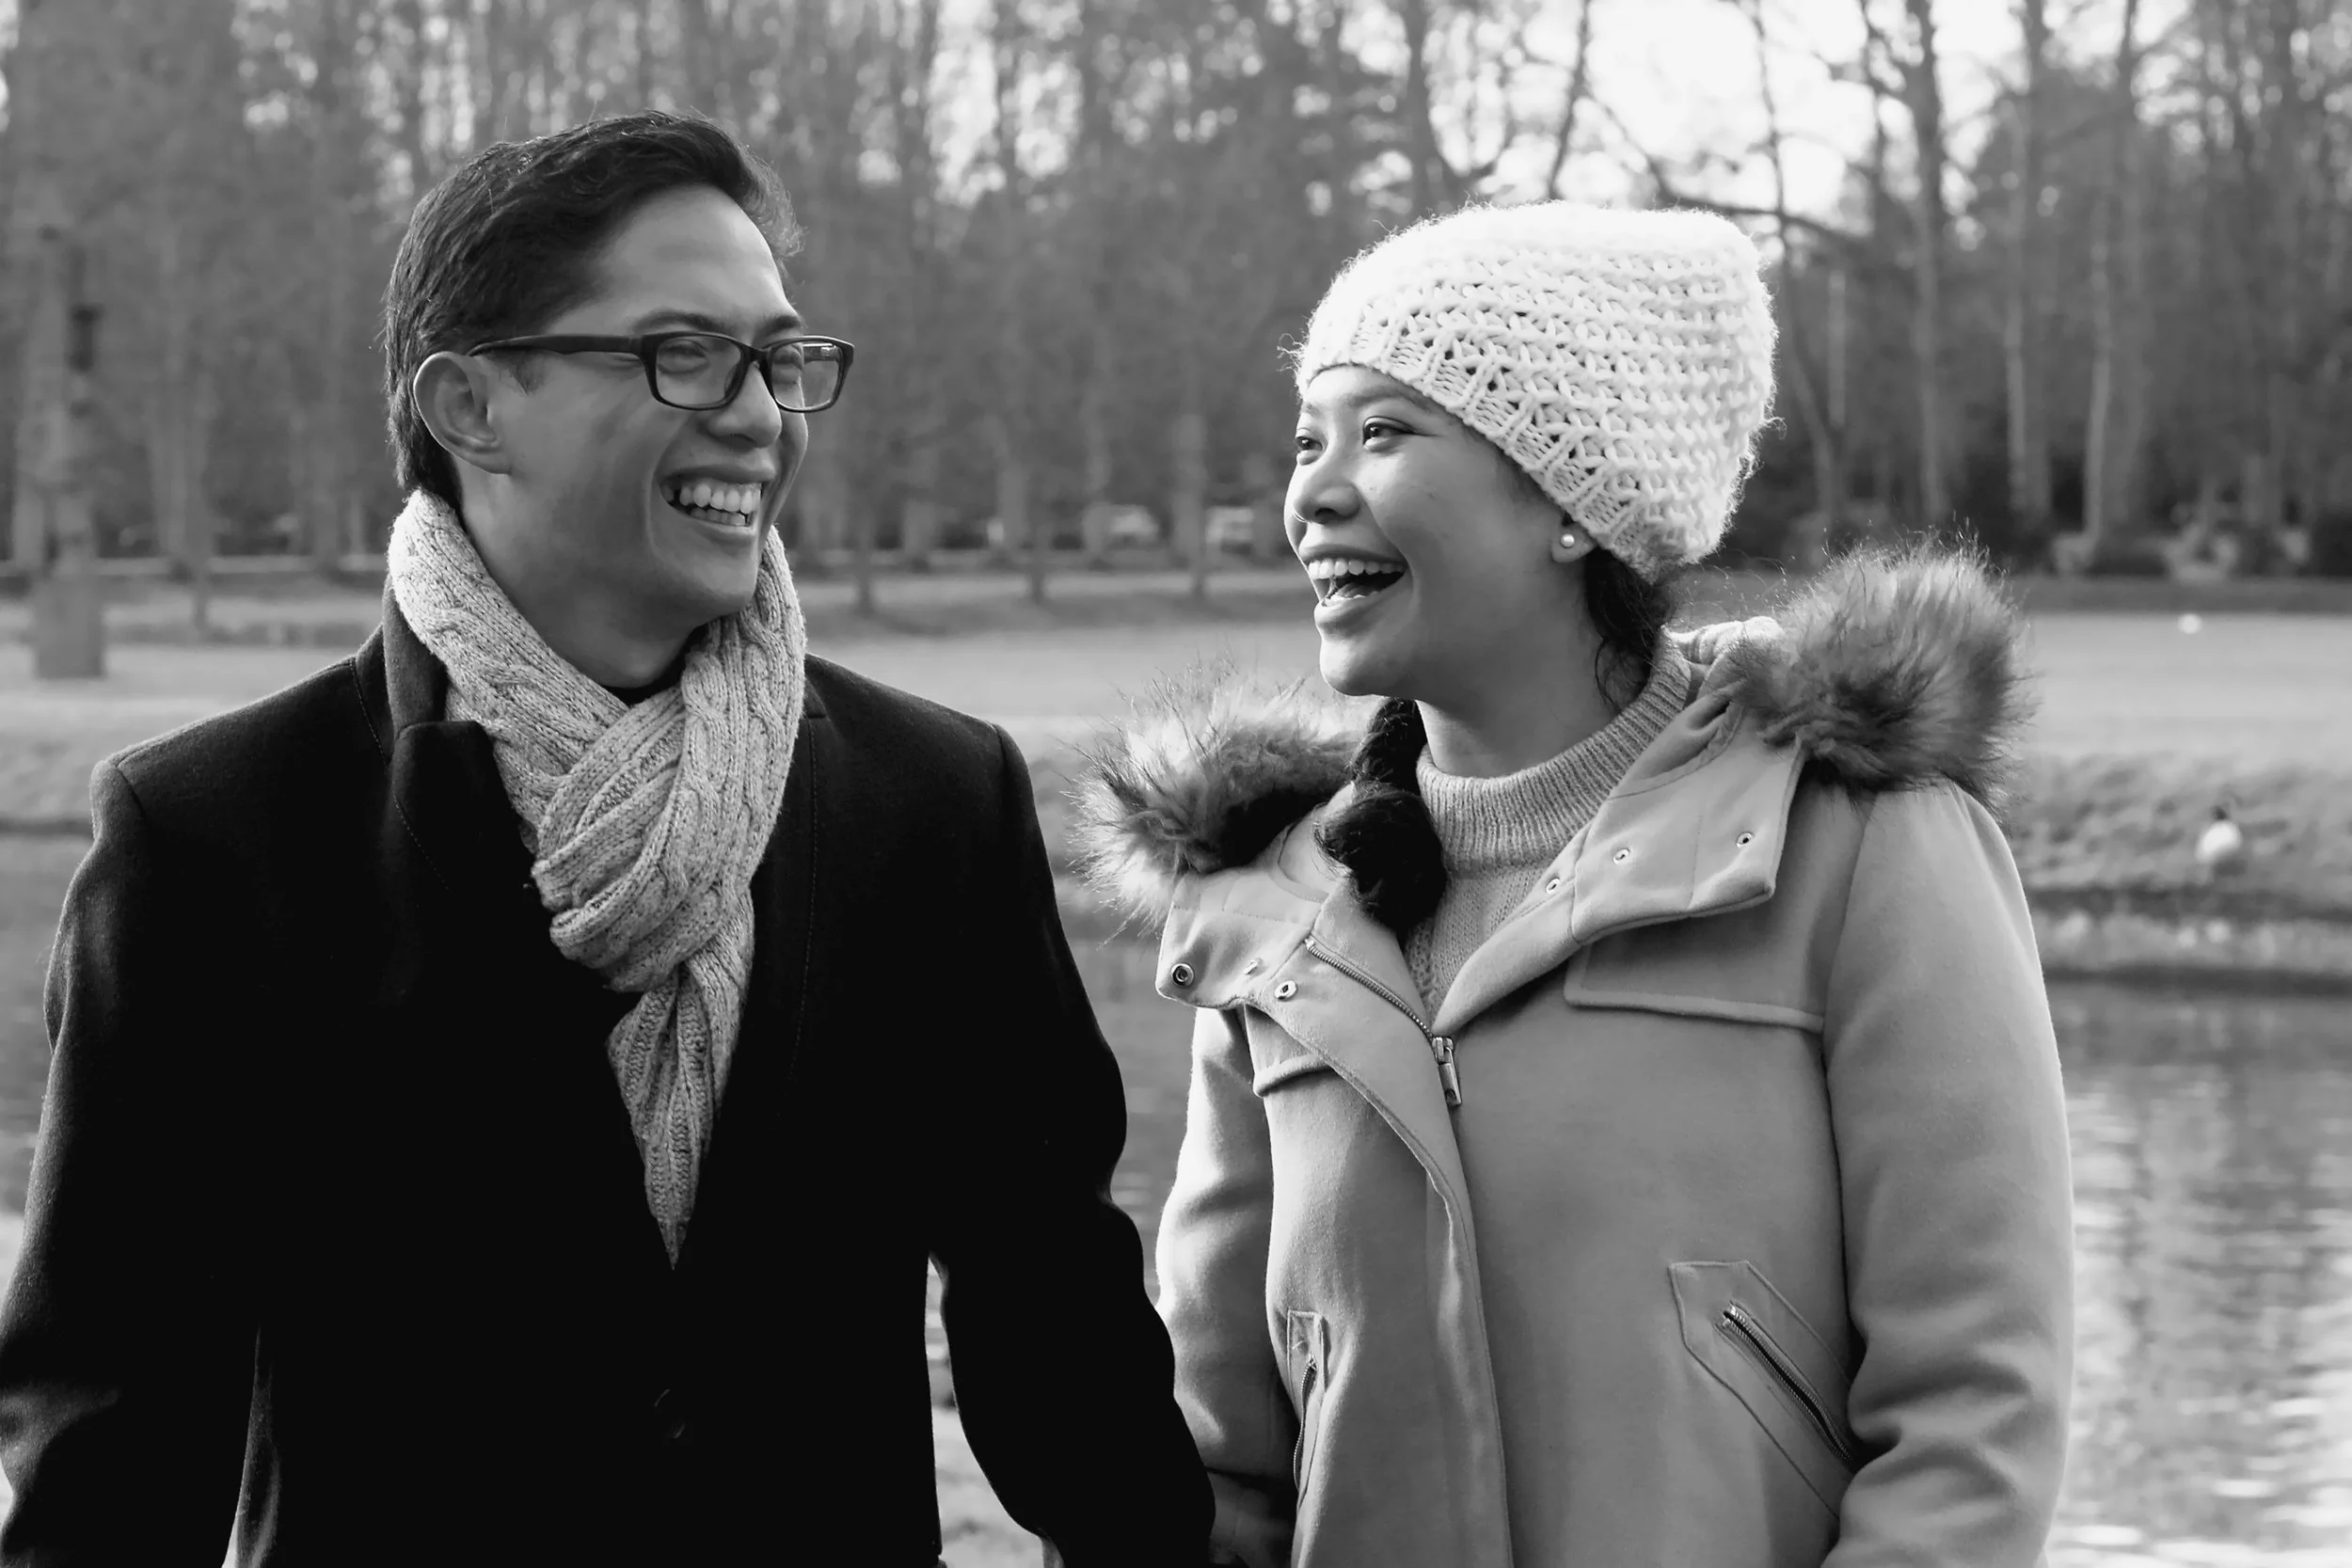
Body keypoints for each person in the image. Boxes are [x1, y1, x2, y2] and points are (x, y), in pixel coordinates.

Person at [0, 111, 1207, 1567]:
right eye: (682, 351)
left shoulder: (929, 800)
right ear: (468, 406)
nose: (760, 413)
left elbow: (1053, 1313)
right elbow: (117, 1439)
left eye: (780, 359)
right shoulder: (217, 837)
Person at [1074, 202, 2074, 1566]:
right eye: (1309, 437)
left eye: (1384, 432)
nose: (1309, 488)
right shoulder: (1266, 906)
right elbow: (1220, 1462)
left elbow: (1971, 1422)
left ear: (1568, 503)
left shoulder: (1861, 842)